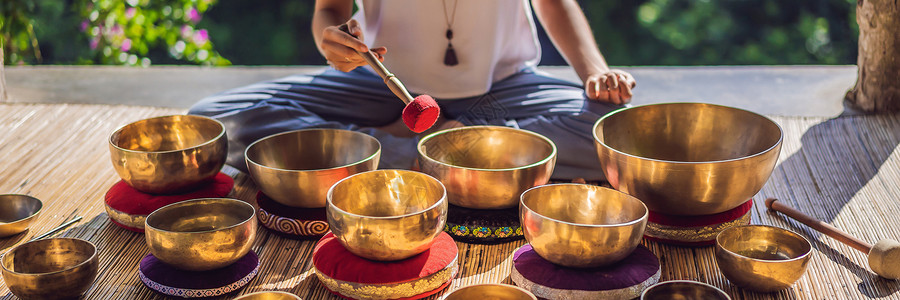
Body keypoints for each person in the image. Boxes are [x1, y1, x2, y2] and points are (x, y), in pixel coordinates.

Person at [189, 0, 635, 180]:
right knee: (216, 118)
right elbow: (330, 8)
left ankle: (387, 153)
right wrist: (332, 41)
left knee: (620, 132)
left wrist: (595, 71)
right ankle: (465, 154)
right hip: (382, 84)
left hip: (502, 89)